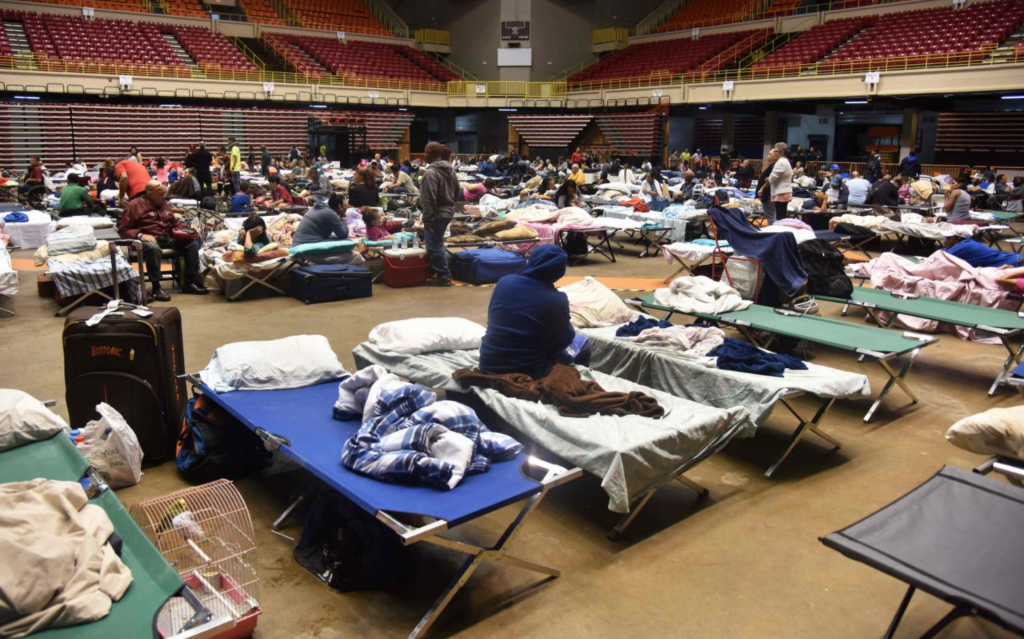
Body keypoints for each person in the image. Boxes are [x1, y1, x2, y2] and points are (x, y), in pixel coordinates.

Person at [478, 244, 587, 378]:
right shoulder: (557, 300)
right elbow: (565, 338)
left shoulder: (504, 282)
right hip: (529, 372)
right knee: (583, 343)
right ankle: (574, 379)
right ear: (560, 272)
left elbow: (493, 316)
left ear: (531, 261)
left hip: (488, 364)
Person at [117, 180, 206, 301]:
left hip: (167, 237)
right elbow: (123, 229)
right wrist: (140, 235)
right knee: (153, 248)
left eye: (164, 193)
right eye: (160, 194)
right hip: (147, 239)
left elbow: (175, 223)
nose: (164, 196)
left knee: (192, 245)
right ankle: (156, 288)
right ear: (149, 193)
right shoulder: (134, 205)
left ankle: (189, 283)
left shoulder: (164, 204)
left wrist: (189, 227)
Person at [420, 142, 462, 287]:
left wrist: (427, 219)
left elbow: (429, 198)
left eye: (425, 152)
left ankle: (443, 276)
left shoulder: (430, 173)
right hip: (448, 211)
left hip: (436, 213)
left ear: (429, 154)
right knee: (437, 243)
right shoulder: (451, 171)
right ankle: (439, 272)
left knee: (435, 246)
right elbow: (458, 193)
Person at [944, 236, 1022, 268]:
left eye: (948, 238)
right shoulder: (968, 243)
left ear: (958, 238)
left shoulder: (963, 247)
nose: (945, 242)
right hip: (1016, 259)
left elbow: (939, 255)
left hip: (1016, 262)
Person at [763, 142, 792, 223]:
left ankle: (781, 233)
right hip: (784, 191)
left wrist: (767, 179)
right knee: (782, 215)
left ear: (782, 153)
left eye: (776, 151)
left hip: (781, 192)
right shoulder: (785, 161)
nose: (774, 152)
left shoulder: (780, 162)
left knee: (780, 217)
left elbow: (772, 179)